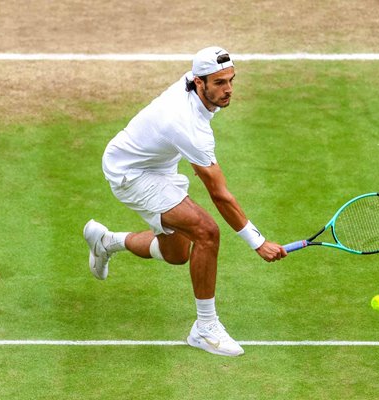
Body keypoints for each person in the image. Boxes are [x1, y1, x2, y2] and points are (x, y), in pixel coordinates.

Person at [83, 46, 287, 357]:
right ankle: (205, 329)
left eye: (231, 80)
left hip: (159, 164)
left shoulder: (196, 87)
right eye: (219, 83)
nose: (228, 90)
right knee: (207, 232)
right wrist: (257, 242)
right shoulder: (184, 123)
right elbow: (219, 193)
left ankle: (107, 242)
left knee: (177, 254)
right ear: (198, 81)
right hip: (130, 173)